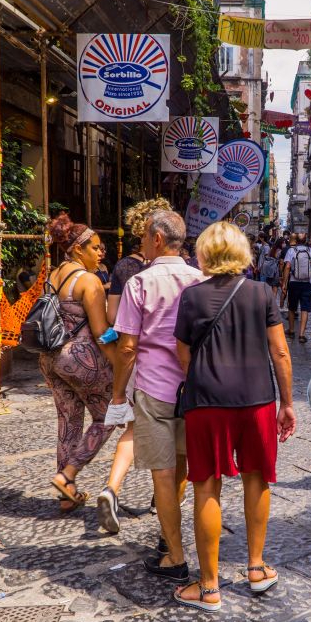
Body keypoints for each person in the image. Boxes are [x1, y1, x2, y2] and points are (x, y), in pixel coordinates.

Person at [172, 222, 296, 611]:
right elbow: (280, 353)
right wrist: (287, 403)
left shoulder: (191, 298)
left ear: (205, 254)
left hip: (206, 402)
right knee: (257, 480)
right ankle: (256, 569)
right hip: (257, 400)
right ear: (242, 253)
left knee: (206, 486)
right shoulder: (261, 293)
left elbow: (183, 354)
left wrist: (206, 375)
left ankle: (209, 588)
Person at [110, 210, 204, 582]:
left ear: (158, 239)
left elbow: (128, 347)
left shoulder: (140, 283)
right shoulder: (201, 279)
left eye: (146, 238)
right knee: (182, 468)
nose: (144, 244)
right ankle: (170, 539)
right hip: (195, 389)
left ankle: (174, 555)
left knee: (163, 475)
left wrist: (119, 391)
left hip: (154, 389)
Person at [42, 214, 117, 513]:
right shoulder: (88, 281)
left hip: (49, 357)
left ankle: (66, 494)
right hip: (82, 359)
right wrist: (120, 364)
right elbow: (101, 333)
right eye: (96, 248)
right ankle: (67, 474)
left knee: (69, 421)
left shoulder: (52, 275)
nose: (101, 253)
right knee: (109, 416)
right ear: (77, 249)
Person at [282, 233, 311, 343]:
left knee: (292, 307)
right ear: (306, 240)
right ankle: (302, 334)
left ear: (296, 241)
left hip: (294, 282)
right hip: (307, 283)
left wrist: (284, 283)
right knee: (305, 308)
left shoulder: (291, 251)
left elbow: (287, 267)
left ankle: (292, 330)